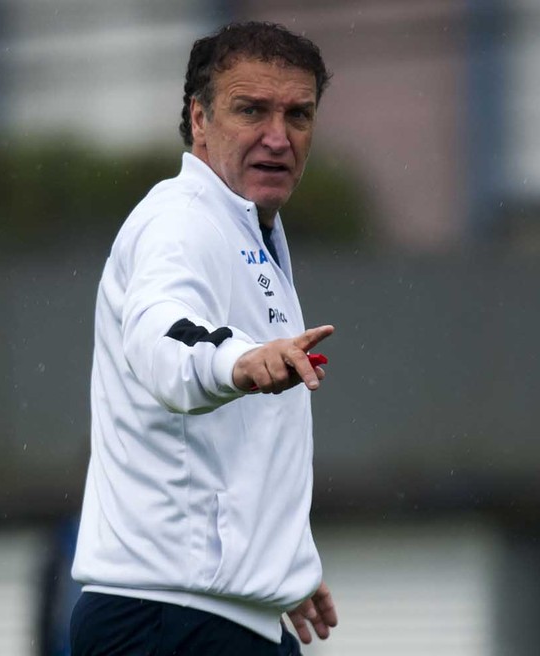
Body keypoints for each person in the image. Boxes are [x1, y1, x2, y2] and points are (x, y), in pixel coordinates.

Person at [69, 21, 338, 655]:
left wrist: (278, 564)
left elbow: (226, 453)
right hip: (169, 622)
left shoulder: (248, 233)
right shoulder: (180, 219)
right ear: (199, 119)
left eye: (298, 115)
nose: (278, 136)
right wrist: (236, 361)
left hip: (216, 616)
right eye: (252, 110)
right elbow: (160, 334)